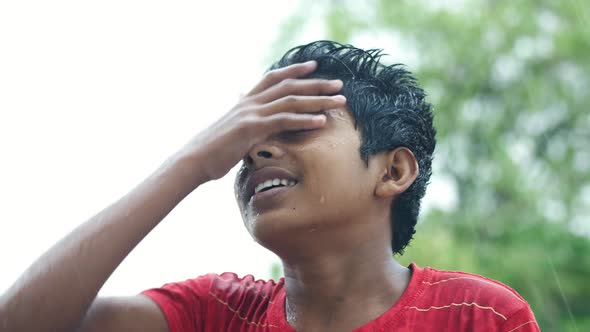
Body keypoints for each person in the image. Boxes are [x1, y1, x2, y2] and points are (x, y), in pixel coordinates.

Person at [0, 41, 539, 332]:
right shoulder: (213, 315)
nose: (255, 149)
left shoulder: (480, 317)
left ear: (392, 171)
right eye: (248, 136)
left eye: (297, 127)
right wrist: (192, 162)